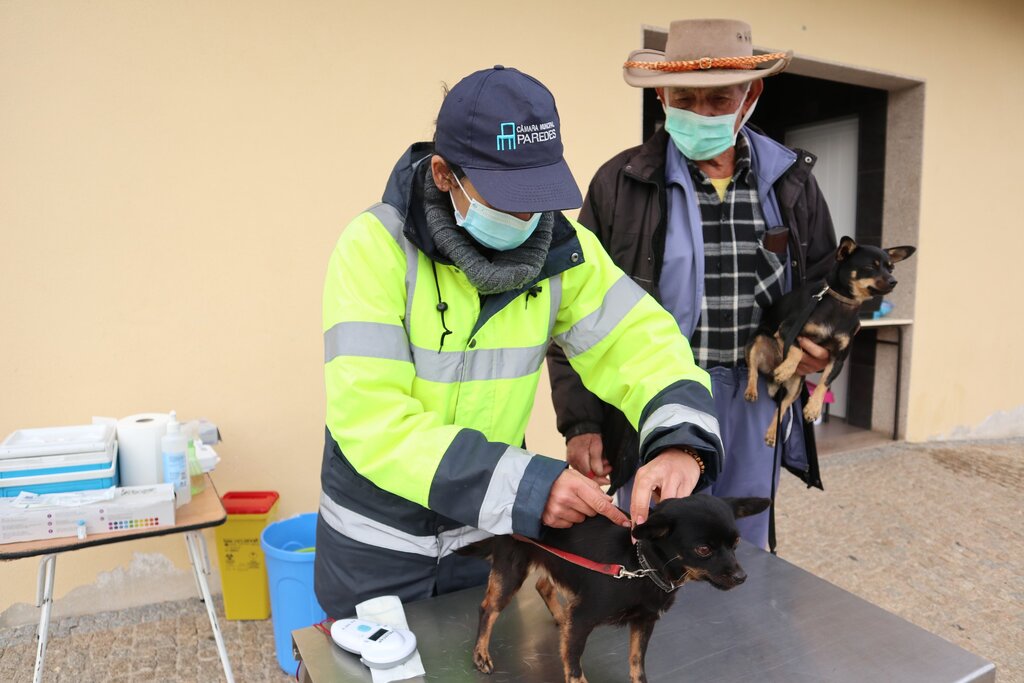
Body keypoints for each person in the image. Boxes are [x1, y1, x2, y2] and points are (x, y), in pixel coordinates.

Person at [315, 65, 725, 618]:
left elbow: (642, 343)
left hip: (486, 534)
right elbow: (371, 419)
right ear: (443, 174)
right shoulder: (375, 248)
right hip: (379, 545)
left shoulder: (564, 250)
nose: (527, 217)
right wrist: (532, 488)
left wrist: (680, 442)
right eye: (507, 199)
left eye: (539, 196)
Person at [547, 19, 838, 550]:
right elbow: (570, 307)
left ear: (752, 94)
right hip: (654, 395)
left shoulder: (791, 182)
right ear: (661, 95)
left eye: (719, 99)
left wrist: (817, 342)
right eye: (685, 98)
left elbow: (824, 281)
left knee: (738, 541)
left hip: (755, 397)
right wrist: (581, 422)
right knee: (651, 540)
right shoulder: (621, 183)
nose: (701, 113)